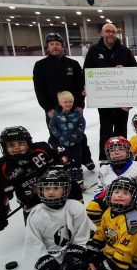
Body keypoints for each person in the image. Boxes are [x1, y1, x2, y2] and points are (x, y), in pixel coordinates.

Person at [0, 126, 82, 230]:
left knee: (73, 187)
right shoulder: (1, 166)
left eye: (20, 143)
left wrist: (62, 162)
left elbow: (62, 154)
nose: (16, 147)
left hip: (55, 191)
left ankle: (79, 213)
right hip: (31, 199)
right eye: (11, 145)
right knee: (38, 231)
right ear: (4, 147)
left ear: (28, 142)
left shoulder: (41, 149)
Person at [24, 168, 93, 270]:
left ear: (65, 189)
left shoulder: (75, 207)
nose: (50, 192)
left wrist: (76, 253)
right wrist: (45, 261)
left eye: (56, 187)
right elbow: (33, 242)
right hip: (49, 256)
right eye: (46, 188)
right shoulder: (37, 213)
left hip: (70, 253)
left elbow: (83, 234)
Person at [33, 32, 94, 170]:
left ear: (63, 46)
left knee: (79, 135)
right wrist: (48, 108)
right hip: (53, 110)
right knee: (56, 137)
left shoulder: (73, 64)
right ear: (47, 47)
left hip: (72, 108)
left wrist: (80, 105)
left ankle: (86, 158)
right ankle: (63, 160)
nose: (55, 46)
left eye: (57, 44)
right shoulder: (40, 65)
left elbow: (80, 86)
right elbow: (39, 89)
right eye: (52, 44)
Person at [83, 23, 137, 161]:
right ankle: (105, 159)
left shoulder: (124, 51)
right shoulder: (94, 51)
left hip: (123, 101)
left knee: (121, 130)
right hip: (104, 100)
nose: (111, 34)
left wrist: (125, 70)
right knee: (106, 130)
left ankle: (122, 157)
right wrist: (88, 87)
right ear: (102, 33)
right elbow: (87, 72)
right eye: (108, 31)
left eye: (113, 31)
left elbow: (136, 72)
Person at [86, 177, 137, 270]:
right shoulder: (109, 211)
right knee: (88, 260)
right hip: (110, 252)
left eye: (126, 193)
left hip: (130, 259)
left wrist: (107, 268)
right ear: (110, 194)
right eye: (117, 192)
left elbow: (125, 250)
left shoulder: (133, 221)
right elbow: (101, 232)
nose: (119, 195)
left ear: (134, 198)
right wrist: (93, 248)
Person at [85, 136, 137, 226]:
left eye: (120, 149)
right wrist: (107, 197)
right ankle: (103, 229)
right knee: (92, 207)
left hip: (135, 206)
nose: (116, 152)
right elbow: (100, 189)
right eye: (112, 150)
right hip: (112, 204)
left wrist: (131, 199)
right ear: (108, 153)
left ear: (128, 151)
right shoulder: (104, 169)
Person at [48, 91, 86, 188]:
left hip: (75, 142)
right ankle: (67, 177)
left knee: (77, 159)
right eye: (65, 102)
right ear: (60, 103)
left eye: (70, 102)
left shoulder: (77, 113)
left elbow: (82, 124)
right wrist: (59, 135)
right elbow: (52, 125)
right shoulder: (56, 115)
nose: (68, 104)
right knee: (65, 159)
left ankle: (78, 177)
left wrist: (77, 134)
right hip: (63, 142)